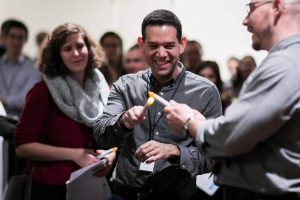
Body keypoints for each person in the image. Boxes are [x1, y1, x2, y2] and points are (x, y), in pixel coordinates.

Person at [165, 0, 300, 199]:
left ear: (277, 6)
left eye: (251, 8)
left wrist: (189, 123)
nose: (245, 21)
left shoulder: (285, 64)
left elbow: (231, 137)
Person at [93, 9, 222, 200]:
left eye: (169, 45)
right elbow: (100, 136)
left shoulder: (205, 91)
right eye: (153, 45)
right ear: (142, 45)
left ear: (182, 45)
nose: (161, 54)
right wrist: (123, 122)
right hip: (123, 193)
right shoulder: (126, 85)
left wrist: (174, 151)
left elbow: (215, 156)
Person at [14, 23, 116, 200]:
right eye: (67, 48)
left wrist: (111, 156)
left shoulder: (102, 88)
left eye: (79, 46)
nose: (76, 53)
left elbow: (110, 134)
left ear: (89, 48)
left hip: (92, 184)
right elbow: (22, 147)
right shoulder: (42, 91)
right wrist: (74, 154)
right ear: (57, 55)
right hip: (51, 188)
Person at [0, 19, 41, 118]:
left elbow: (28, 97)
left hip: (18, 121)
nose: (16, 41)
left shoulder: (33, 68)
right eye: (12, 36)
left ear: (26, 40)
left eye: (20, 37)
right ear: (4, 38)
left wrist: (4, 101)